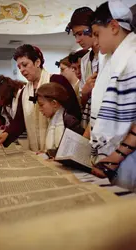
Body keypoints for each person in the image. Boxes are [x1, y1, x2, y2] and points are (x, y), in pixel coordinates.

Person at [0, 44, 81, 152]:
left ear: (37, 62)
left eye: (24, 65)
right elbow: (19, 120)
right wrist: (6, 134)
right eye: (19, 67)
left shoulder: (57, 81)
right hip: (37, 150)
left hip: (60, 148)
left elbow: (74, 113)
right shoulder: (24, 92)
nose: (22, 70)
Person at [88, 1, 136, 192]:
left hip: (126, 157)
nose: (95, 41)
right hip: (114, 159)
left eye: (97, 33)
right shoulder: (112, 61)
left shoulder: (132, 58)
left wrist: (116, 156)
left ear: (114, 27)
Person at [66, 7, 99, 129]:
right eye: (75, 35)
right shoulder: (85, 60)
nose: (78, 40)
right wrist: (85, 92)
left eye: (80, 34)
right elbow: (84, 103)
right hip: (92, 121)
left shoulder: (111, 55)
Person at [37, 82, 84, 153]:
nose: (39, 109)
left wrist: (54, 156)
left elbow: (75, 149)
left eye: (41, 105)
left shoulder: (70, 121)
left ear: (54, 103)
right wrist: (47, 153)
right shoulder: (52, 120)